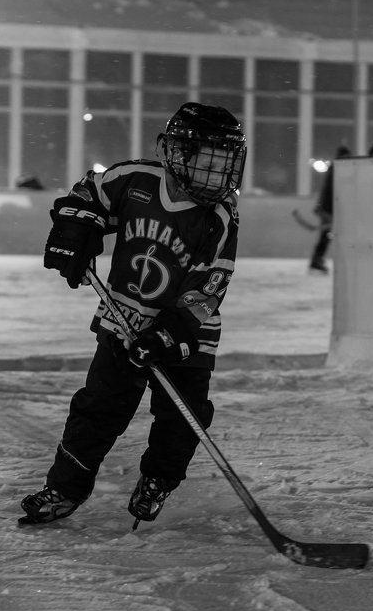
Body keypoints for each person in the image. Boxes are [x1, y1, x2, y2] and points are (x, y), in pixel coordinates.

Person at [20, 102, 247, 527]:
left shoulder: (220, 215)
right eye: (209, 162)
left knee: (183, 419)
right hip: (122, 322)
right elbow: (87, 194)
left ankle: (158, 480)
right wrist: (75, 231)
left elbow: (208, 291)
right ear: (178, 153)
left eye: (226, 163)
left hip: (187, 336)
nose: (218, 175)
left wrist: (167, 334)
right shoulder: (136, 179)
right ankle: (64, 490)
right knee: (97, 412)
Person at [309, 145, 348, 274]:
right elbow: (330, 192)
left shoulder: (334, 169)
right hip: (328, 209)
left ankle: (317, 260)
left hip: (327, 208)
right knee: (325, 236)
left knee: (326, 236)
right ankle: (317, 261)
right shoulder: (337, 170)